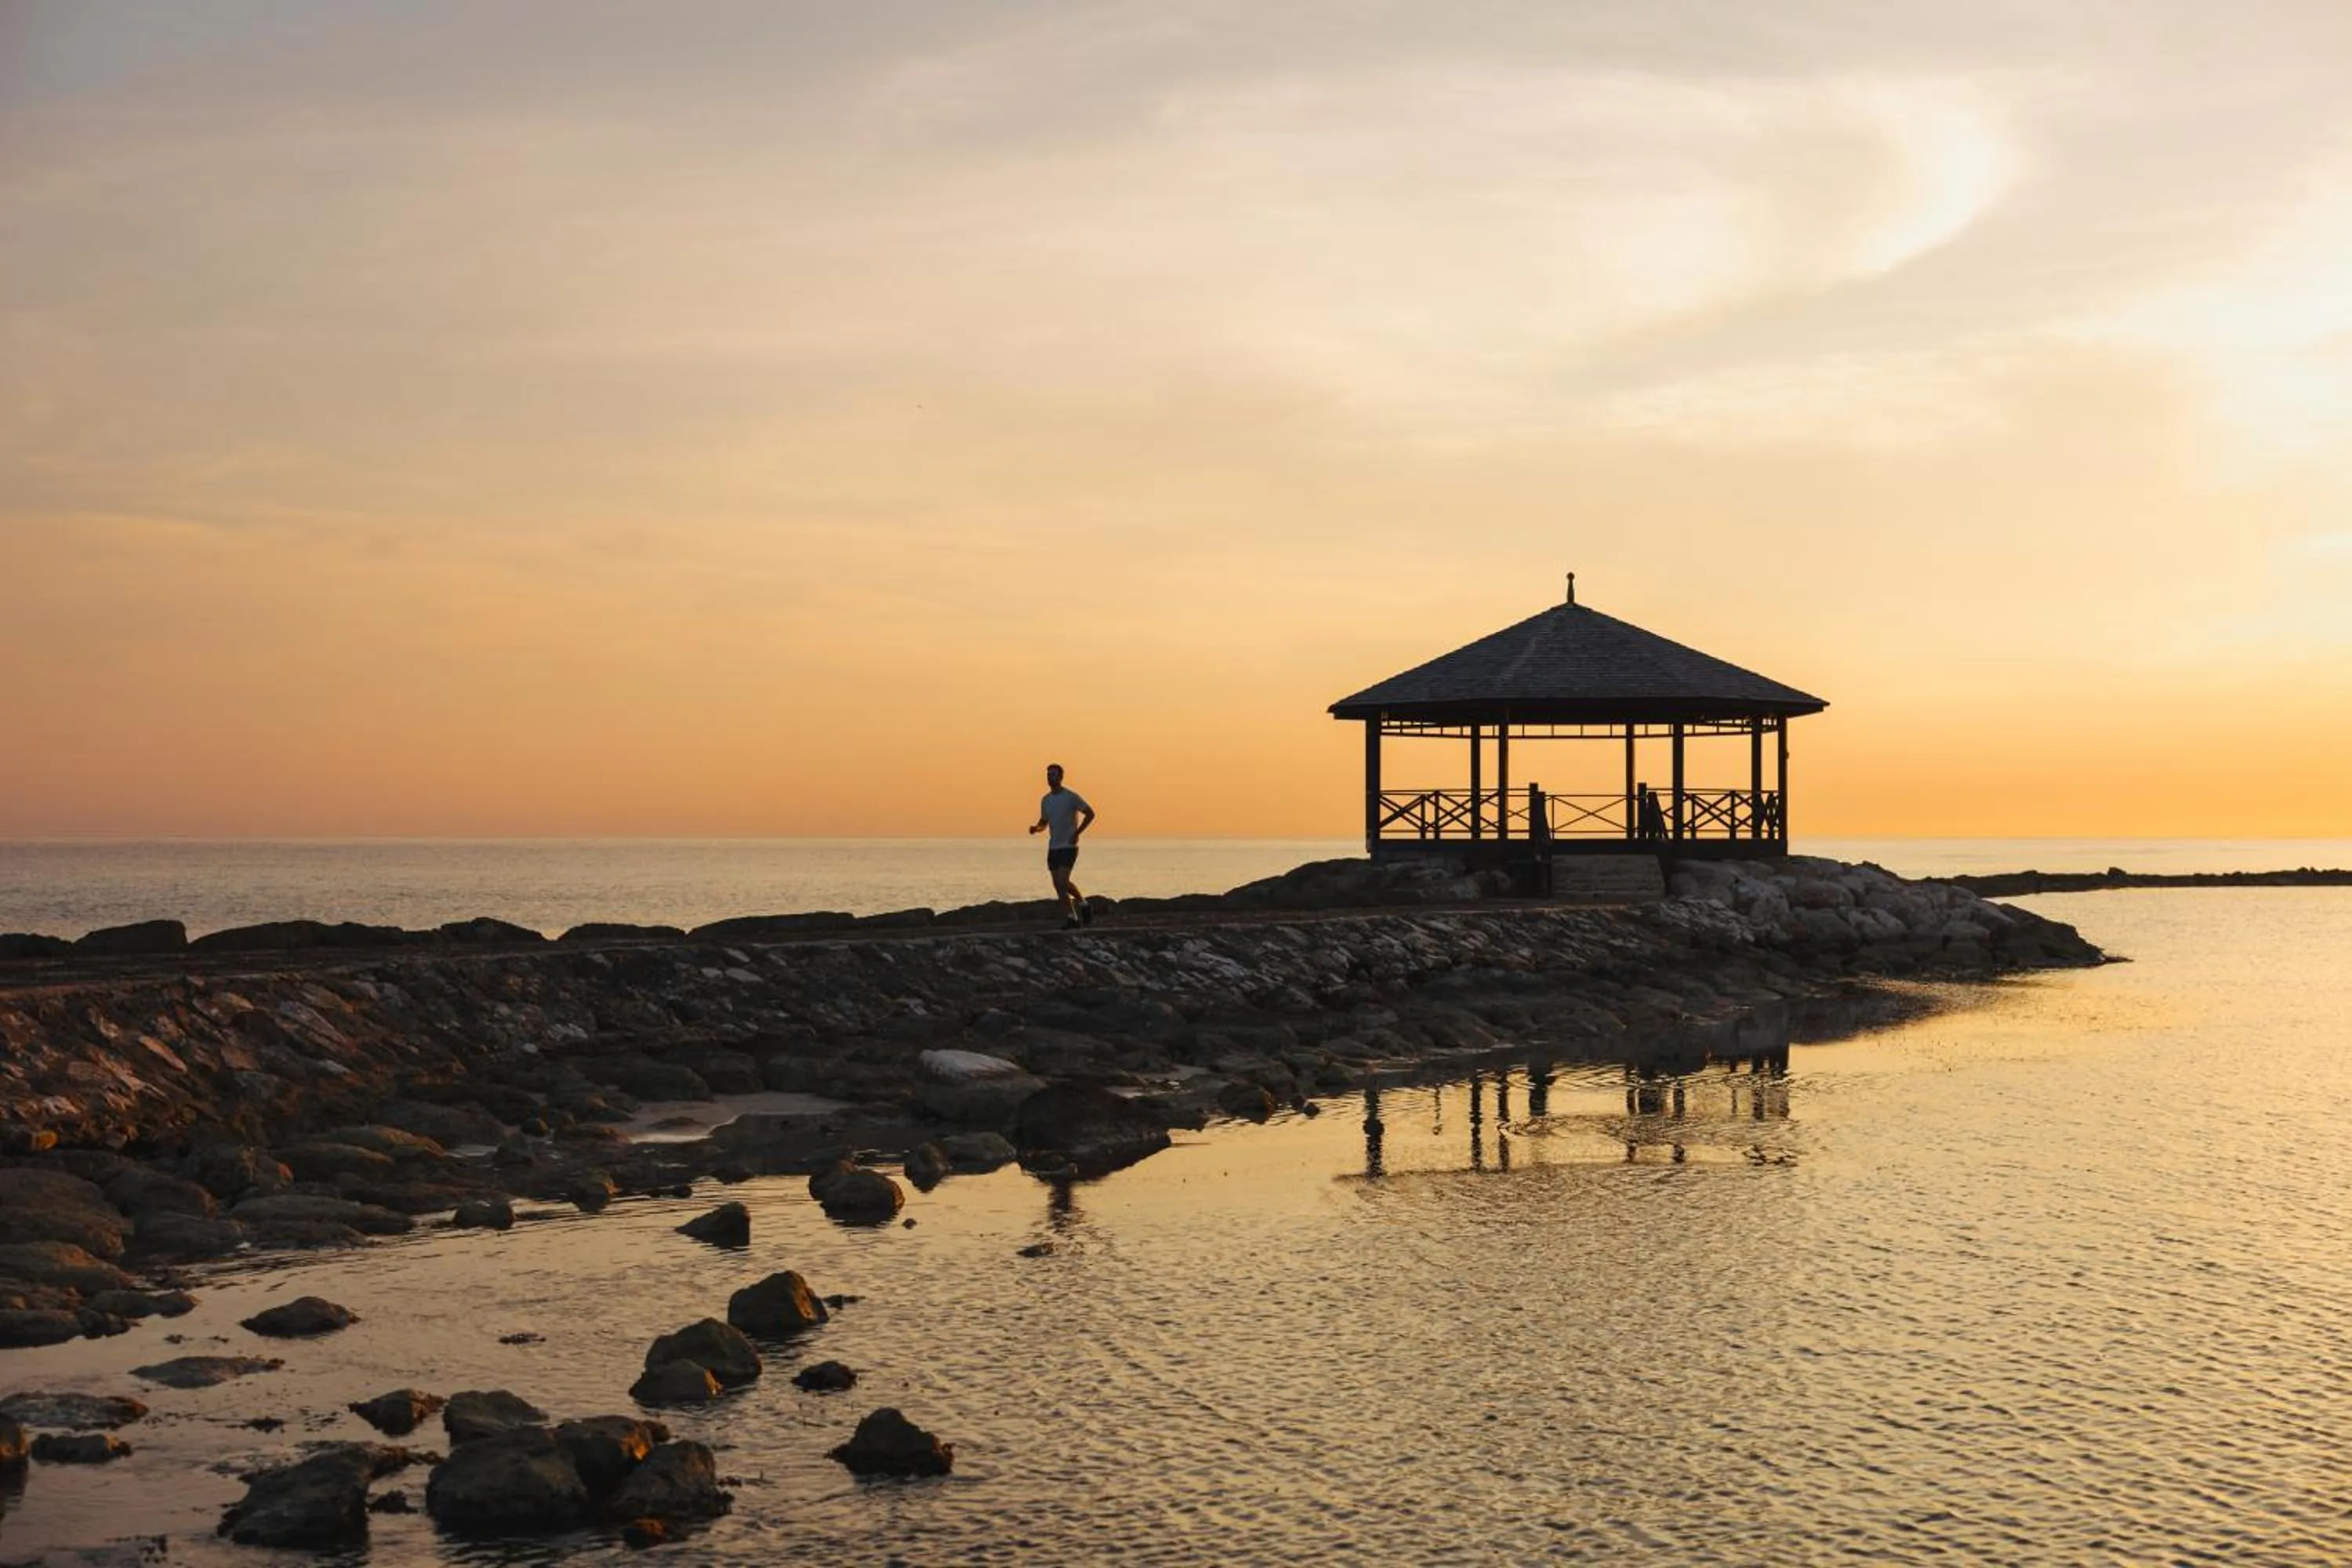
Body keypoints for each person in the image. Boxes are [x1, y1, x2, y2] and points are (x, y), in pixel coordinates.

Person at [1028, 763, 1095, 928]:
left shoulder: (1071, 797)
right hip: (1054, 847)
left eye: (1053, 774)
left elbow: (1090, 813)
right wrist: (1037, 829)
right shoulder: (1046, 800)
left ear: (1061, 777)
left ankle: (1083, 904)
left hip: (1069, 846)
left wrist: (1077, 833)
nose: (1050, 777)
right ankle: (1072, 917)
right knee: (1058, 885)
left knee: (1063, 881)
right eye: (1048, 775)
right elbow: (1044, 822)